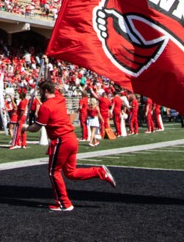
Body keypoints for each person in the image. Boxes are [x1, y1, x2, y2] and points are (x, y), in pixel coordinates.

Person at [23, 80, 116, 212]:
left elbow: (36, 127)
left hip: (61, 140)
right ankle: (100, 172)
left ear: (46, 91)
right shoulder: (59, 98)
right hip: (71, 138)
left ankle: (64, 203)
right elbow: (53, 88)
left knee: (53, 172)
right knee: (70, 173)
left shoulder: (46, 106)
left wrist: (25, 127)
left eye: (40, 91)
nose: (39, 94)